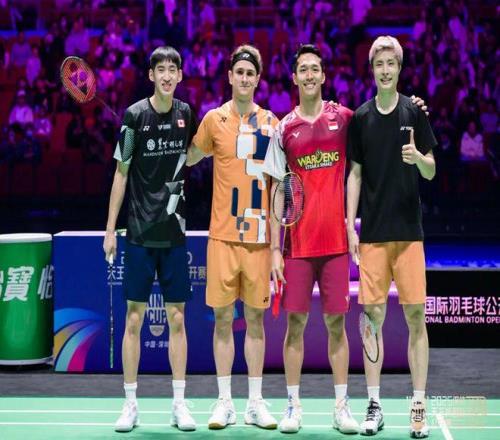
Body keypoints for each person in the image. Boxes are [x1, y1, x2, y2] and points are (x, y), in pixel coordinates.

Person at [263, 44, 359, 434]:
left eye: (314, 69)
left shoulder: (344, 118)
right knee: (296, 324)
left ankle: (341, 407)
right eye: (302, 69)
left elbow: (378, 124)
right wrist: (274, 249)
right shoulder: (283, 129)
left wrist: (413, 108)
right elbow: (275, 189)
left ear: (323, 75)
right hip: (297, 247)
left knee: (337, 325)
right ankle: (293, 405)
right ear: (294, 77)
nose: (309, 75)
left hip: (335, 244)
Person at [103, 46, 198, 433]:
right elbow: (121, 172)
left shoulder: (186, 113)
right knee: (134, 318)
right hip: (140, 234)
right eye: (161, 69)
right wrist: (110, 229)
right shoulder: (134, 116)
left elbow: (193, 154)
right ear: (151, 75)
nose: (167, 75)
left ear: (180, 76)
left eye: (173, 69)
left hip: (174, 233)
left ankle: (179, 404)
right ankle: (130, 404)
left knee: (177, 318)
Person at [346, 36, 436, 438]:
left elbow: (432, 170)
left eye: (391, 63)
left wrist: (418, 159)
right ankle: (374, 404)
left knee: (416, 317)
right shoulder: (361, 118)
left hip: (409, 233)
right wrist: (350, 224)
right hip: (374, 235)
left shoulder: (414, 113)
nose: (385, 70)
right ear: (372, 70)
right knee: (372, 319)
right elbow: (354, 174)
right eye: (379, 64)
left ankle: (418, 405)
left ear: (399, 69)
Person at [187, 45, 278, 430]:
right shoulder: (214, 120)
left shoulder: (271, 123)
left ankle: (255, 403)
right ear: (229, 76)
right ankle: (224, 401)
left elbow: (277, 187)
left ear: (258, 79)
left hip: (258, 239)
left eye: (250, 73)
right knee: (223, 320)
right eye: (238, 72)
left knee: (255, 321)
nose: (244, 78)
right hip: (223, 237)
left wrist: (277, 246)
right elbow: (189, 157)